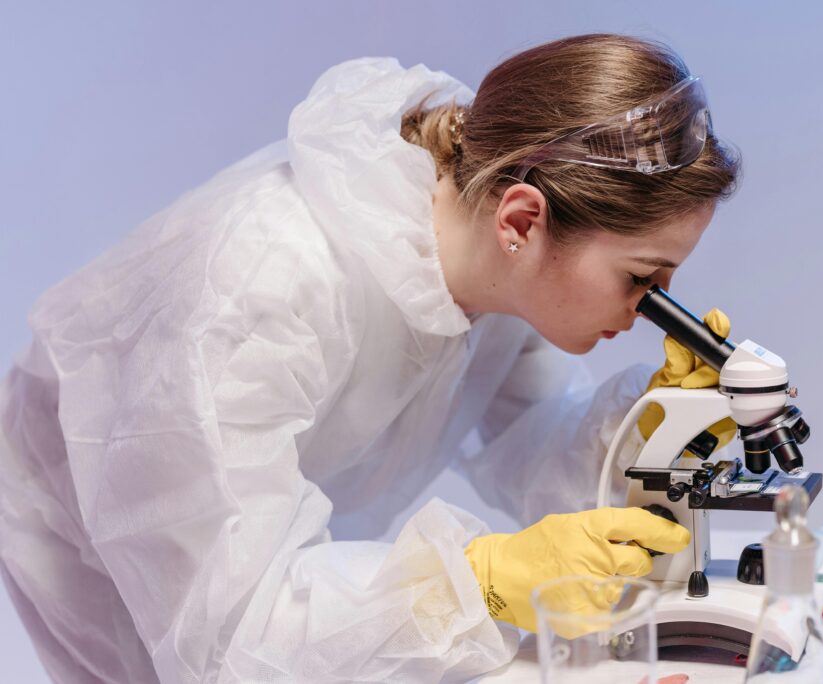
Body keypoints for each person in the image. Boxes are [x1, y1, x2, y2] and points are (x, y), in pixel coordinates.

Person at [0, 33, 739, 683]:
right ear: (522, 220)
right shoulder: (261, 289)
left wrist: (646, 434)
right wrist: (476, 582)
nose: (652, 306)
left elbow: (530, 433)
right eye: (641, 278)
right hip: (106, 521)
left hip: (248, 523)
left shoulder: (487, 258)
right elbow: (235, 633)